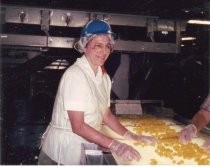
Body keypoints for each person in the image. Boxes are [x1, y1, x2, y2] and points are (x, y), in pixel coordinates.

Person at [38, 19, 157, 165]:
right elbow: (78, 126)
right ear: (84, 46)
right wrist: (116, 145)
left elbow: (106, 114)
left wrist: (132, 136)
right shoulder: (76, 75)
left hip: (83, 149)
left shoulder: (104, 78)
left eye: (108, 46)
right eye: (98, 46)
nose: (104, 51)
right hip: (61, 154)